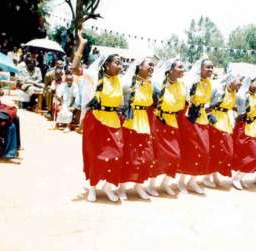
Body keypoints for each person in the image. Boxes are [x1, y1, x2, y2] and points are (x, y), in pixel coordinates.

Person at [72, 30, 123, 203]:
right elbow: (74, 69)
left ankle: (108, 187)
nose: (121, 66)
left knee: (117, 155)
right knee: (95, 155)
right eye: (117, 63)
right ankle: (92, 188)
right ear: (107, 65)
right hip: (96, 120)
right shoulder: (95, 75)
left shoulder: (119, 81)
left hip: (113, 121)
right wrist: (81, 45)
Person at [146, 58, 186, 197]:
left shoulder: (181, 86)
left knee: (176, 156)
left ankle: (165, 183)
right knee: (157, 156)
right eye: (180, 67)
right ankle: (151, 185)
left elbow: (181, 106)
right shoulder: (157, 84)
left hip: (172, 122)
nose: (183, 70)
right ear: (170, 69)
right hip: (158, 122)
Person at [119, 57, 156, 200]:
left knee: (146, 157)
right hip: (130, 122)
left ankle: (139, 185)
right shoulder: (128, 83)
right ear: (140, 66)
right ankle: (122, 187)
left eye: (153, 66)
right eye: (149, 65)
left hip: (143, 122)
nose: (152, 68)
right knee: (129, 156)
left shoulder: (150, 85)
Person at [177, 58, 214, 194]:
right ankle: (181, 181)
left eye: (212, 68)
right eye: (207, 67)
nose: (210, 70)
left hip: (202, 118)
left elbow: (206, 103)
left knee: (204, 151)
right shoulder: (191, 82)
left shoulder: (210, 83)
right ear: (200, 68)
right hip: (189, 118)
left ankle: (192, 181)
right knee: (190, 151)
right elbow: (184, 100)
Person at [205, 72, 243, 187]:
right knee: (217, 151)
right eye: (239, 80)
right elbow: (207, 103)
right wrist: (210, 116)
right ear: (231, 80)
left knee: (226, 151)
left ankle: (213, 174)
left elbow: (232, 106)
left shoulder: (234, 93)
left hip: (226, 122)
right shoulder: (219, 90)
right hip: (216, 122)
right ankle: (207, 177)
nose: (241, 83)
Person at [231, 75, 256, 189]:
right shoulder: (242, 96)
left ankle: (239, 177)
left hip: (255, 129)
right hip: (244, 128)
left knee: (255, 155)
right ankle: (237, 177)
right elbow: (236, 111)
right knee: (253, 155)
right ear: (249, 82)